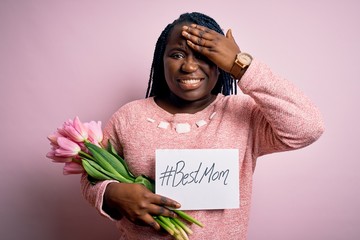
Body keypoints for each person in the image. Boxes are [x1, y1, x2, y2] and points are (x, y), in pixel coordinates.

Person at [81, 12, 324, 240]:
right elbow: (90, 176)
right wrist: (110, 194)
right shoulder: (129, 117)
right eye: (176, 55)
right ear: (160, 61)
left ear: (221, 65)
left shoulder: (244, 114)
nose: (189, 66)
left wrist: (242, 66)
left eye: (205, 56)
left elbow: (308, 126)